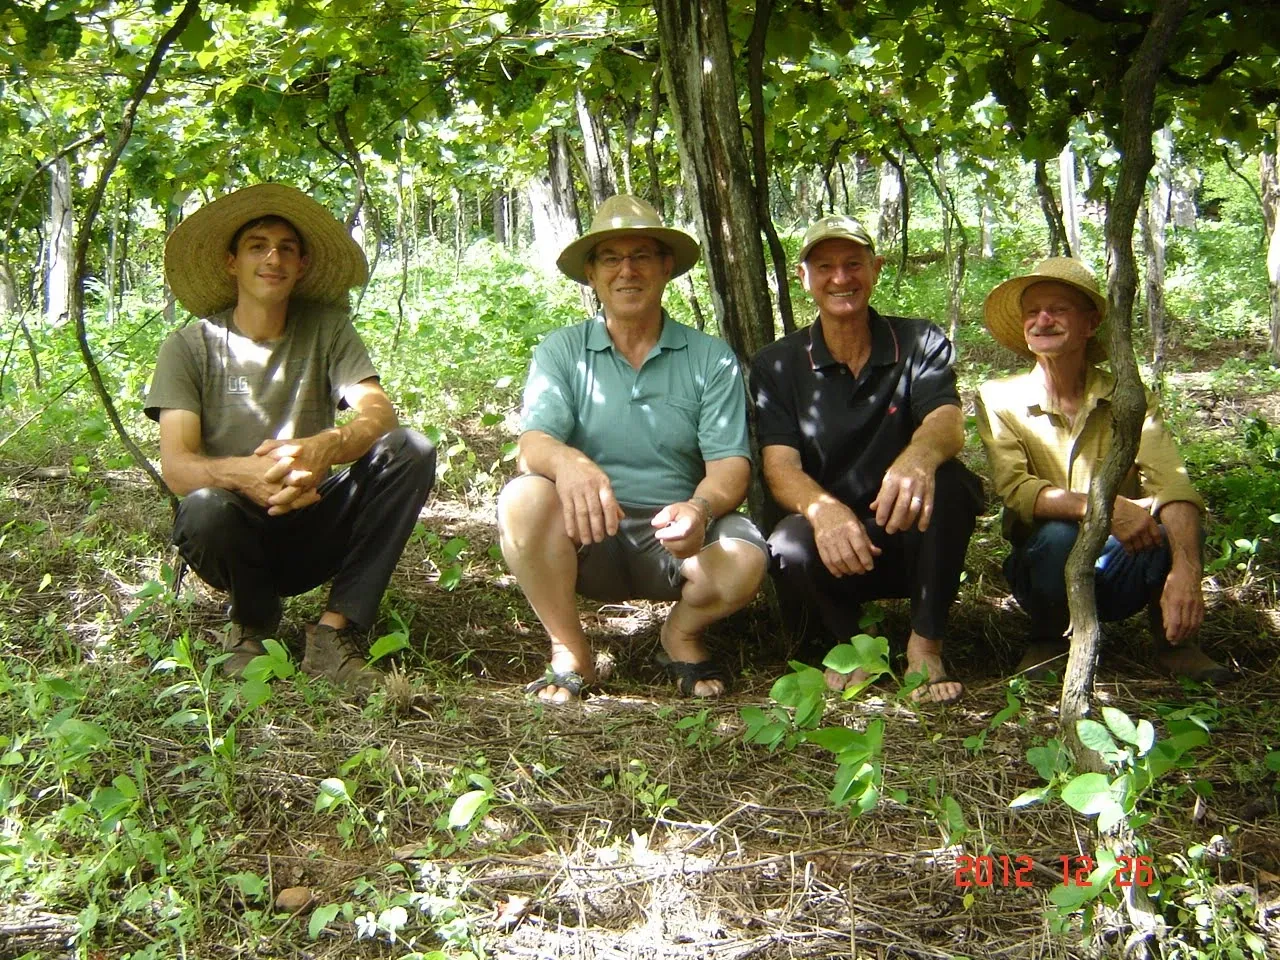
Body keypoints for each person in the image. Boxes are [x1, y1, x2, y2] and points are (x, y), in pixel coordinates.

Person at [145, 183, 436, 692]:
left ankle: (334, 634)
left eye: (286, 249)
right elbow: (178, 467)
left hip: (313, 517)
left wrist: (325, 447)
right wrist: (249, 476)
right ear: (231, 262)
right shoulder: (189, 347)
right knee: (205, 506)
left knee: (410, 449)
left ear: (301, 265)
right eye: (257, 246)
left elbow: (379, 413)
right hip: (233, 531)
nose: (273, 258)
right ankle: (252, 624)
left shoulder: (328, 330)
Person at [497, 194, 768, 703]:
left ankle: (682, 635)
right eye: (611, 258)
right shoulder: (563, 351)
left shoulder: (709, 357)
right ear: (592, 273)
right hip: (590, 535)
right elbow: (532, 444)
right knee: (522, 498)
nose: (627, 271)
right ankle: (570, 652)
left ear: (666, 268)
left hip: (677, 542)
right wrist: (571, 464)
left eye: (641, 256)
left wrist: (699, 508)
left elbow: (730, 465)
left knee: (746, 556)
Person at [750, 215, 982, 703]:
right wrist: (823, 511)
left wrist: (917, 458)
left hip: (908, 532)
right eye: (825, 267)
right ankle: (855, 646)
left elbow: (946, 419)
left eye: (853, 264)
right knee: (787, 543)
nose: (841, 278)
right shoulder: (778, 363)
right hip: (832, 543)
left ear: (875, 269)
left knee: (952, 485)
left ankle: (925, 646)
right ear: (803, 278)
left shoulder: (918, 341)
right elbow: (779, 467)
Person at [975, 257, 1230, 683]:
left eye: (1058, 309)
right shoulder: (999, 398)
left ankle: (1176, 645)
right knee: (1057, 536)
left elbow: (1172, 483)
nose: (1043, 320)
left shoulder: (1128, 397)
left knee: (1178, 524)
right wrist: (1105, 508)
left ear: (1090, 323)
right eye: (1033, 312)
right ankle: (1049, 639)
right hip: (1043, 566)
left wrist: (1187, 571)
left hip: (1121, 561)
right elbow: (1017, 490)